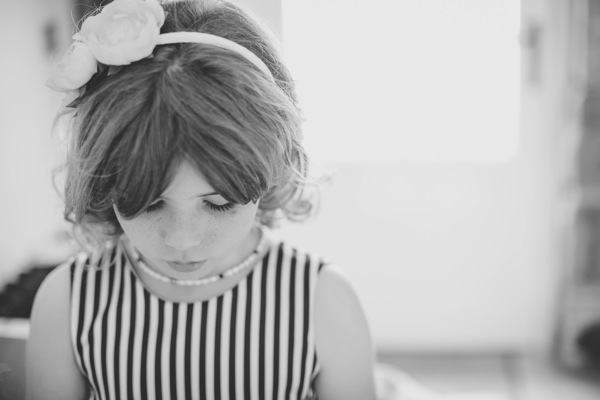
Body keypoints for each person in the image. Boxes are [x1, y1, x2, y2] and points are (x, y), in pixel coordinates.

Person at [26, 0, 377, 399]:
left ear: (271, 170)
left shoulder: (321, 300)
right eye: (148, 204)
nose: (183, 239)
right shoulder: (69, 301)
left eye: (220, 202)